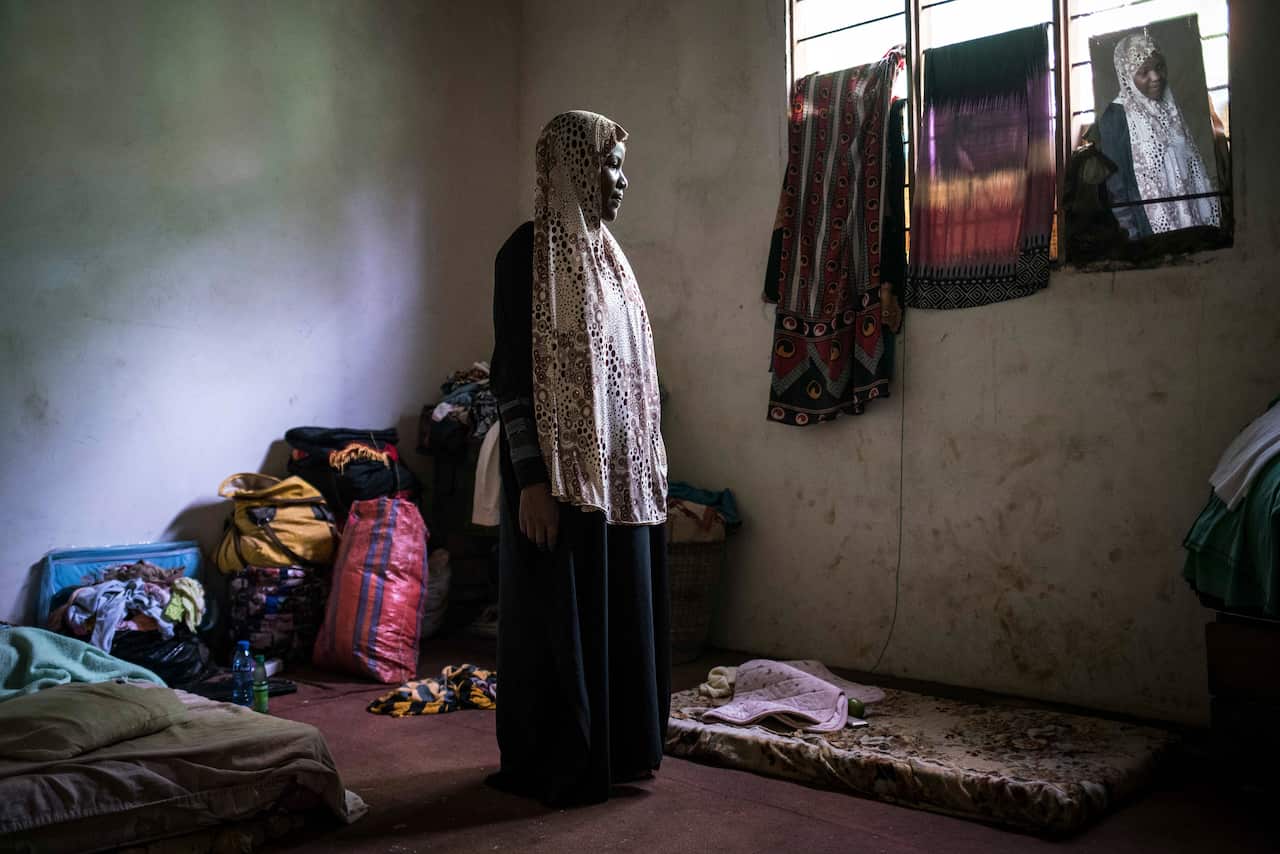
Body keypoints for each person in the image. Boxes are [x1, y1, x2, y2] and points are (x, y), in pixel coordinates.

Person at [486, 110, 670, 806]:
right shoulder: (526, 254)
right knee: (559, 622)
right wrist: (532, 478)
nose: (621, 182)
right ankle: (559, 762)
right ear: (573, 167)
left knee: (618, 608)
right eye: (609, 164)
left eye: (621, 167)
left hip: (619, 480)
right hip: (560, 480)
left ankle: (621, 752)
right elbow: (508, 377)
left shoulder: (612, 263)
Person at [1098, 31, 1220, 239]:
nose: (1155, 77)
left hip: (1190, 221)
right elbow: (1115, 187)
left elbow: (1191, 169)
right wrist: (1131, 236)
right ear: (1126, 75)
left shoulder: (1169, 108)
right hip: (1148, 229)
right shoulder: (1115, 117)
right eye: (1143, 71)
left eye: (1159, 67)